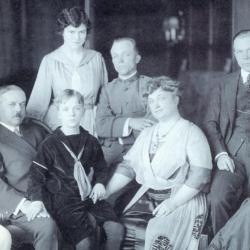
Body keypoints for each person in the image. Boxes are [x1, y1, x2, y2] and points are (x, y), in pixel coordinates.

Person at [106, 76, 212, 250]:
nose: (155, 105)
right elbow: (129, 167)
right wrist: (108, 190)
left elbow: (201, 176)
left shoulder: (191, 132)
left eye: (161, 98)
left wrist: (174, 203)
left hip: (182, 198)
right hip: (148, 196)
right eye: (151, 100)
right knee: (127, 226)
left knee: (156, 232)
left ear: (176, 99)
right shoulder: (148, 133)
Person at [27, 89, 124, 250]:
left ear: (83, 112)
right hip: (62, 200)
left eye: (76, 108)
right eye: (65, 109)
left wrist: (100, 183)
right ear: (58, 113)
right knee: (85, 243)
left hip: (87, 195)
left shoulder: (90, 141)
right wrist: (36, 200)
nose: (71, 113)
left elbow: (101, 167)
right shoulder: (50, 144)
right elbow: (36, 176)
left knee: (116, 229)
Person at [26, 6, 108, 134]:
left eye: (82, 32)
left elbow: (105, 97)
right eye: (71, 32)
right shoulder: (50, 60)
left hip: (89, 122)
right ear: (62, 32)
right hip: (58, 123)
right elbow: (38, 102)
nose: (77, 37)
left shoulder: (96, 58)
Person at [204, 29, 250, 235]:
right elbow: (210, 122)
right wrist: (221, 153)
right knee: (217, 198)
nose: (246, 56)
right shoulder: (224, 84)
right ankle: (220, 245)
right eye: (240, 52)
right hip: (231, 155)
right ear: (234, 53)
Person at [0, 85, 58, 250]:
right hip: (16, 202)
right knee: (46, 226)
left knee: (83, 217)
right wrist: (24, 204)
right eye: (12, 104)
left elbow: (58, 162)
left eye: (22, 104)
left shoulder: (36, 129)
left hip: (49, 194)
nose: (19, 109)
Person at [96, 37, 154, 167]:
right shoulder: (107, 90)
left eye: (126, 55)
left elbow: (152, 124)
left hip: (141, 151)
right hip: (109, 153)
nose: (120, 61)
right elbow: (101, 125)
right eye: (115, 56)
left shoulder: (150, 85)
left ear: (137, 58)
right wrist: (131, 122)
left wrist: (115, 127)